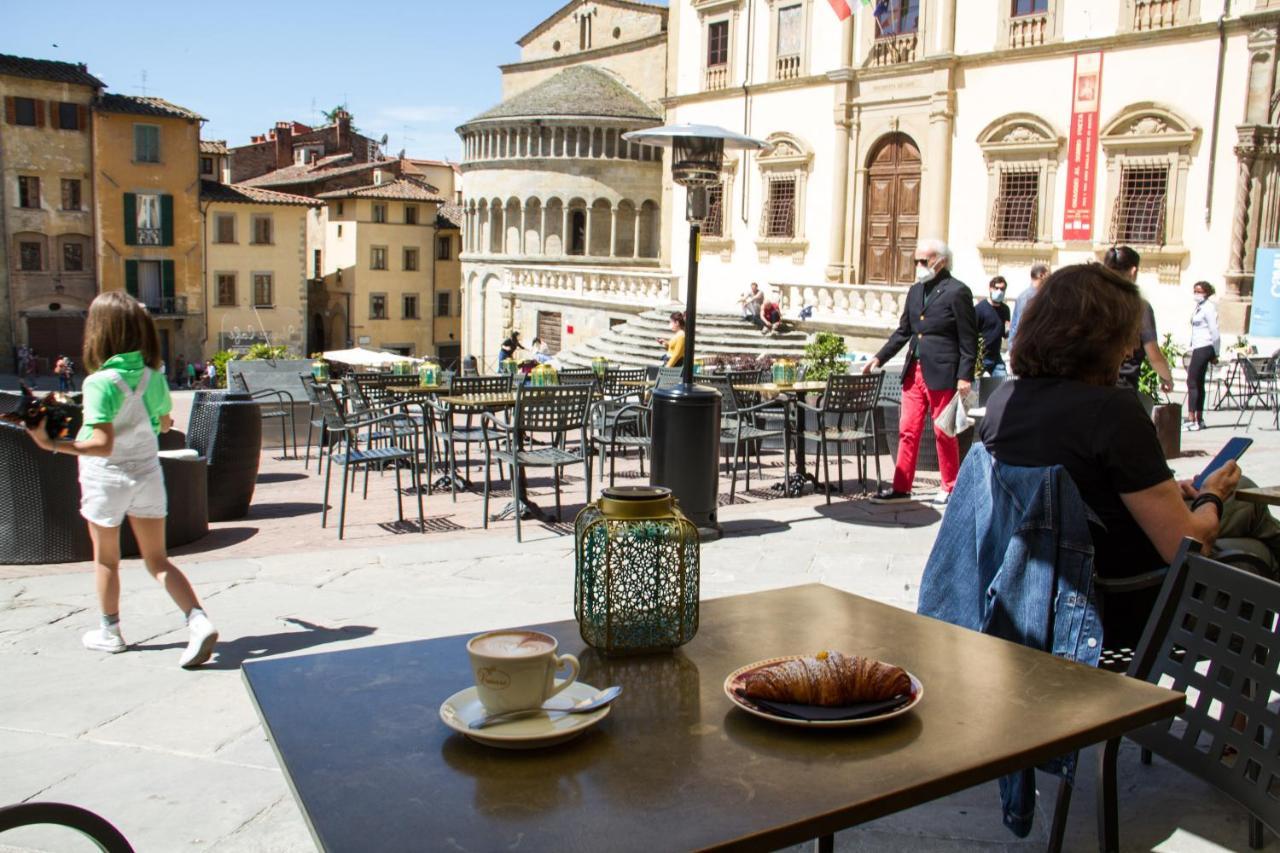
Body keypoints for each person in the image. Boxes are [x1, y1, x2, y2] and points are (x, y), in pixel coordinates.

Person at [978, 263, 1279, 648]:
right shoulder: (1112, 412)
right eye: (1127, 337)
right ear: (1102, 339)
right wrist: (1211, 496)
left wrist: (1173, 492)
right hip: (1116, 603)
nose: (1131, 349)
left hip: (1033, 587)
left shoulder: (1004, 401)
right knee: (1256, 555)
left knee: (1248, 497)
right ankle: (1241, 700)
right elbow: (1188, 546)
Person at [23, 292, 218, 667]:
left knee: (108, 560)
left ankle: (110, 632)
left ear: (99, 332)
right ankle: (198, 620)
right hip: (146, 474)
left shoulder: (100, 383)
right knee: (158, 561)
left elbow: (100, 444)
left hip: (107, 479)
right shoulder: (154, 378)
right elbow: (163, 424)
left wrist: (52, 443)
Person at [863, 239, 977, 506]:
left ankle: (949, 486)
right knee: (908, 429)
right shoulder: (915, 291)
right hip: (914, 370)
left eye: (924, 261)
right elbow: (904, 331)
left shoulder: (957, 291)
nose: (919, 266)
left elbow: (968, 338)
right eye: (916, 261)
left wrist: (965, 375)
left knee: (943, 431)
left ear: (941, 261)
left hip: (943, 371)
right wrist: (879, 356)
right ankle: (902, 486)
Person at [1104, 246, 1174, 396]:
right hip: (1122, 387)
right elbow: (1153, 353)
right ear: (1133, 271)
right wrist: (1166, 378)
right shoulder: (1139, 307)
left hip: (1089, 385)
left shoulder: (1091, 301)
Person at [1185, 281, 1220, 431]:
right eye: (1194, 291)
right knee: (1198, 383)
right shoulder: (1199, 307)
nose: (1196, 294)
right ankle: (1199, 418)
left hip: (1205, 347)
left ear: (1206, 292)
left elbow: (1215, 331)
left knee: (1192, 381)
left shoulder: (1209, 308)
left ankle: (1192, 419)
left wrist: (1216, 352)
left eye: (1199, 291)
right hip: (1198, 347)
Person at [1007, 262, 1050, 348]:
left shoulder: (1042, 296)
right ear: (1042, 275)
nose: (1051, 278)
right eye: (1049, 275)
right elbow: (1019, 327)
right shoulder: (1028, 298)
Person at [976, 276, 1011, 377]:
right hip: (980, 357)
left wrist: (1008, 330)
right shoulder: (980, 309)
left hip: (996, 356)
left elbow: (1005, 333)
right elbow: (972, 333)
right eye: (997, 288)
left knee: (1003, 384)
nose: (1000, 291)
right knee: (977, 388)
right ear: (990, 288)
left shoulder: (1005, 309)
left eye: (1002, 289)